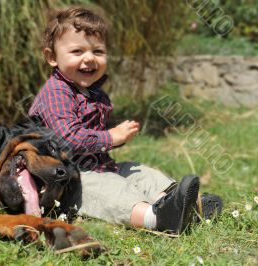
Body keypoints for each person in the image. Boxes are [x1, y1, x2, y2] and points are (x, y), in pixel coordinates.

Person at [28, 6, 222, 233]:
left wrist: (118, 136)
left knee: (138, 172)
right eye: (77, 51)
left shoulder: (94, 92)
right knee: (111, 190)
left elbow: (94, 135)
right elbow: (68, 138)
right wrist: (110, 137)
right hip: (65, 182)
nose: (89, 58)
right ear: (52, 57)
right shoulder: (56, 92)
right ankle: (158, 219)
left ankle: (178, 203)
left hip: (99, 166)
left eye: (98, 51)